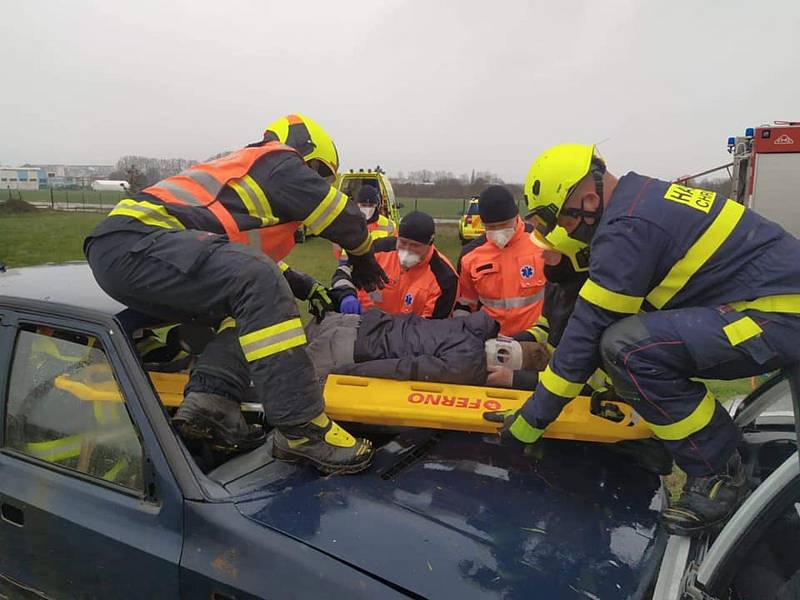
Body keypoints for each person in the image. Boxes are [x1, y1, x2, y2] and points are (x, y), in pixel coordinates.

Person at [488, 143, 800, 535]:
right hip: (773, 309)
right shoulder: (639, 204)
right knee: (628, 342)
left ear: (587, 199)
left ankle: (720, 470)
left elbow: (587, 336)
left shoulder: (627, 229)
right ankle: (680, 443)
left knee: (629, 347)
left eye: (558, 222)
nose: (562, 234)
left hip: (779, 317)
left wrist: (531, 421)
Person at [84, 114, 390, 475]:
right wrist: (363, 257)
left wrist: (309, 287)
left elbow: (244, 264)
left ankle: (208, 397)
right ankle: (302, 429)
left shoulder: (243, 190)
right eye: (320, 174)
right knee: (257, 283)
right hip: (140, 240)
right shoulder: (276, 160)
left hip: (132, 249)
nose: (316, 184)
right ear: (309, 155)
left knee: (253, 298)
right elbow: (343, 217)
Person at [304, 309, 549, 387]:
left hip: (352, 322)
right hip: (345, 351)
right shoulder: (466, 366)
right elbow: (401, 369)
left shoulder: (473, 324)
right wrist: (341, 376)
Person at [455, 185, 547, 336]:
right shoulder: (470, 255)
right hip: (490, 342)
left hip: (534, 341)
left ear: (516, 216)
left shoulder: (540, 242)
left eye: (504, 225)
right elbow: (465, 304)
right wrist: (464, 336)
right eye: (491, 227)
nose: (498, 231)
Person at [332, 211, 459, 319]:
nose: (407, 250)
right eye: (403, 243)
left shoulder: (445, 279)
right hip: (363, 328)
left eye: (415, 246)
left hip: (409, 342)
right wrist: (346, 294)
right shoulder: (377, 250)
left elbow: (432, 331)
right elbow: (343, 272)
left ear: (430, 243)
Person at [333, 185, 396, 263]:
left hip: (379, 268)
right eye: (363, 205)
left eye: (371, 205)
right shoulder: (347, 222)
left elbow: (395, 250)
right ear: (357, 204)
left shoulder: (389, 225)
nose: (367, 209)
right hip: (351, 267)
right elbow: (337, 246)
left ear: (377, 205)